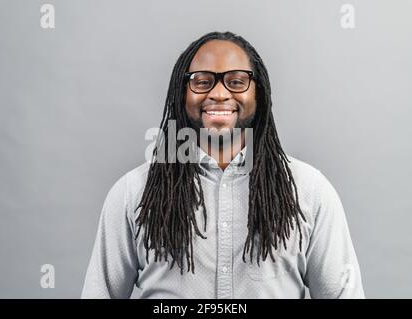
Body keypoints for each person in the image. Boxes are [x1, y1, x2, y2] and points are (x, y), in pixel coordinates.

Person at [81, 31, 365, 299]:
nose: (218, 93)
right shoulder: (134, 193)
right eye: (202, 81)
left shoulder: (309, 191)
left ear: (259, 93)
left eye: (237, 81)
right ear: (182, 94)